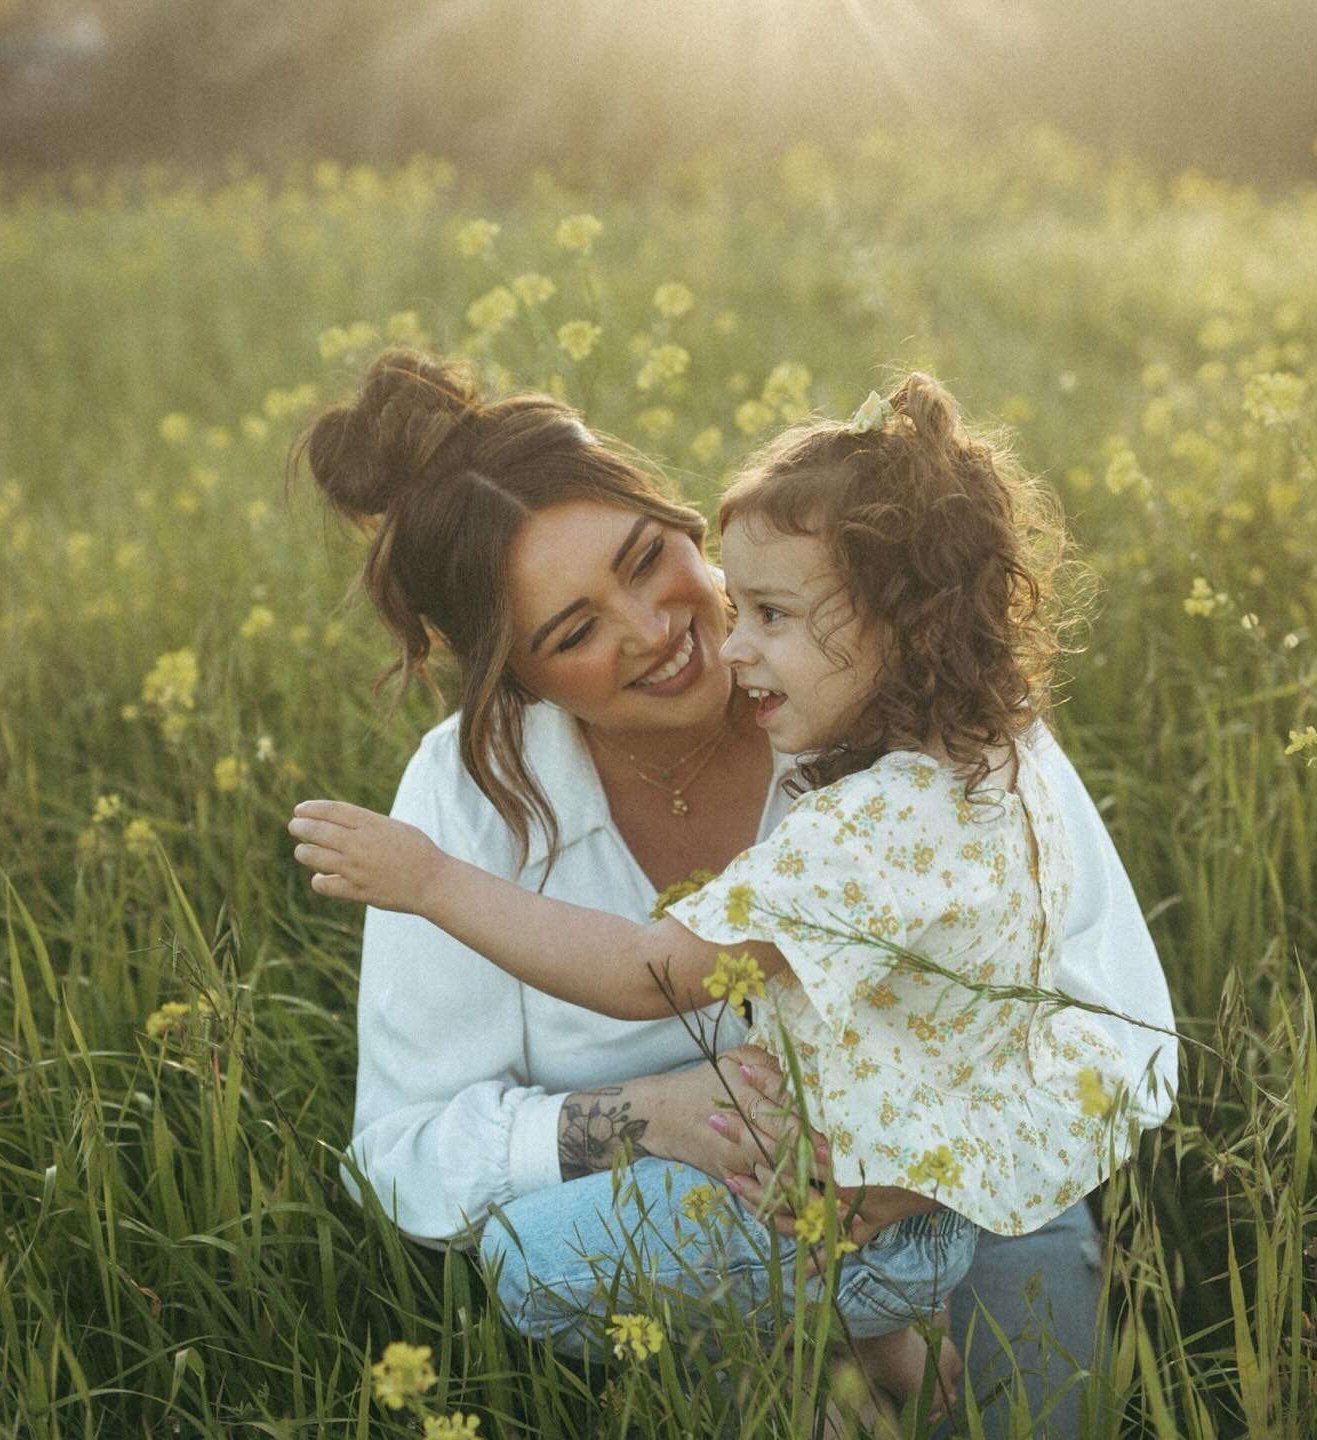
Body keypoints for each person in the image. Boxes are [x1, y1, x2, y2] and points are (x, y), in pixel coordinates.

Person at [292, 349, 1177, 1432]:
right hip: (705, 1254)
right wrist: (643, 1118)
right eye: (574, 632)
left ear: (680, 520)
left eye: (648, 559)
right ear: (507, 679)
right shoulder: (464, 796)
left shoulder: (933, 721)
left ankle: (889, 1337)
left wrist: (925, 1169)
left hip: (974, 1207)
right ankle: (821, 1359)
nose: (657, 631)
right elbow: (402, 1154)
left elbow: (1118, 1029)